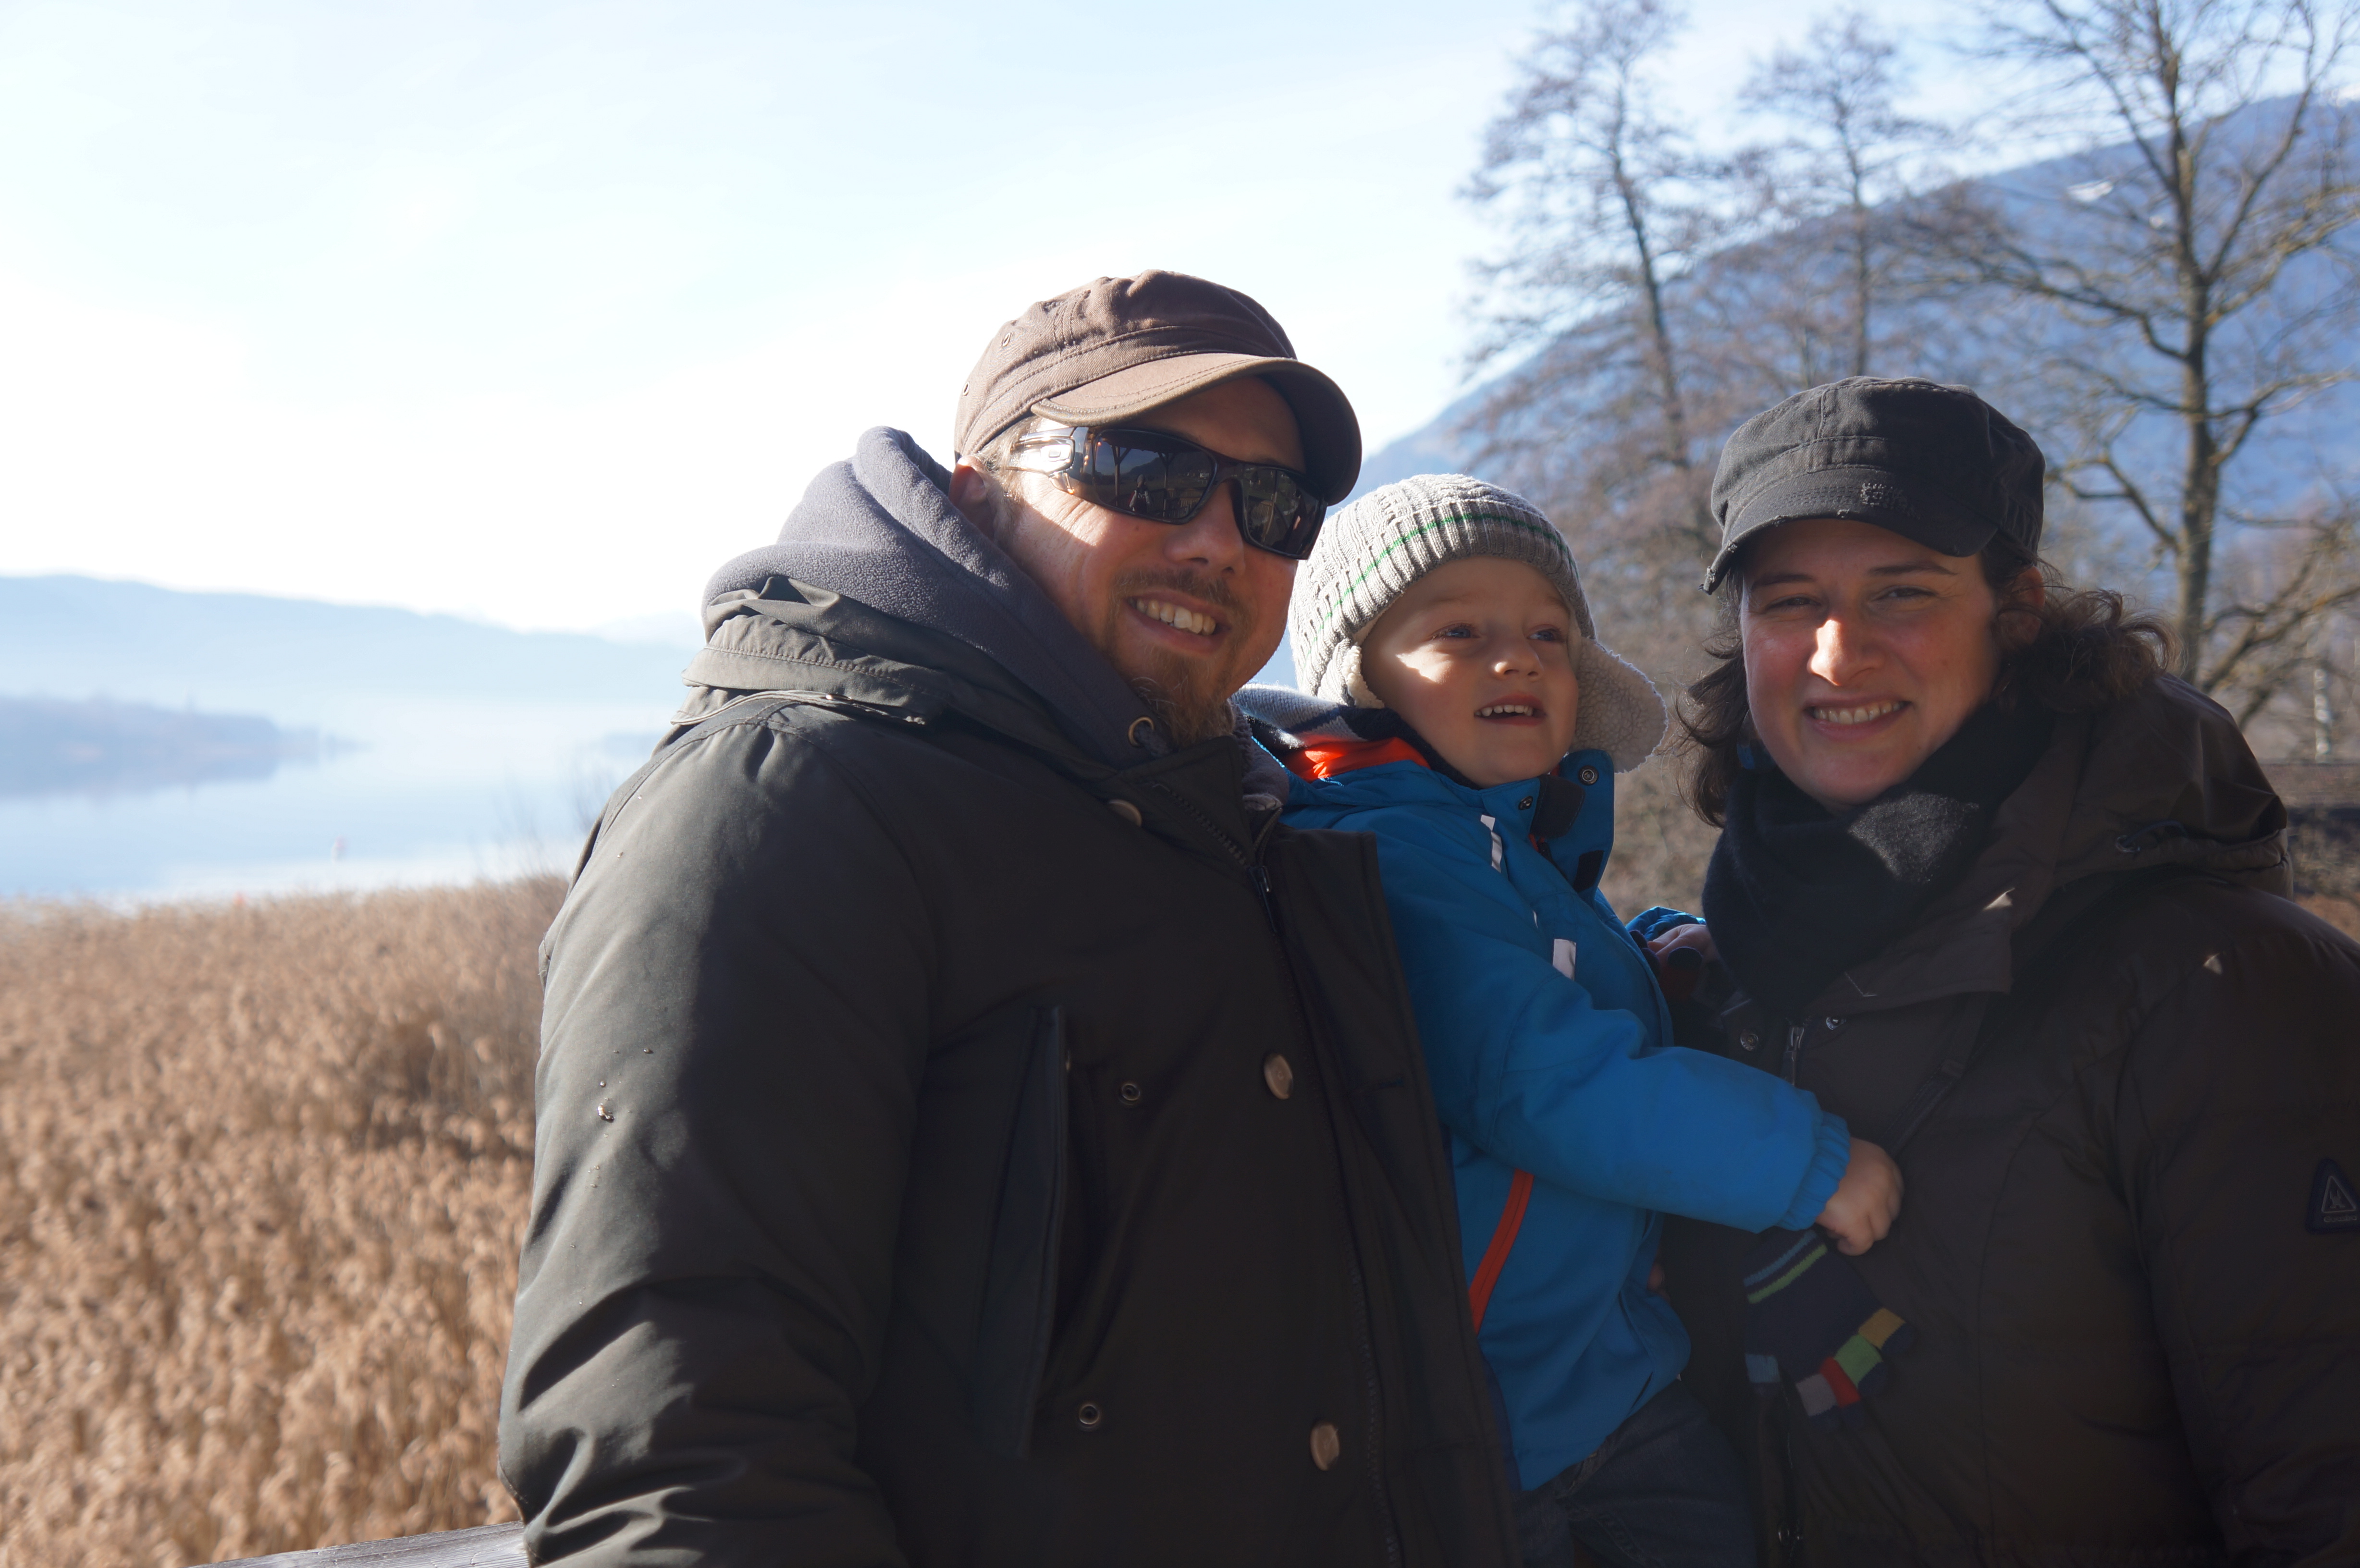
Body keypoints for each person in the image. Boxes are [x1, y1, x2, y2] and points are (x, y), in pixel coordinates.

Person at [497, 274, 1526, 1566]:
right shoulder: (789, 814)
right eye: (1146, 471)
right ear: (976, 494)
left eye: (1273, 508)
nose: (1218, 541)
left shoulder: (1250, 816)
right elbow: (681, 1456)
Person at [1655, 377, 2360, 1564]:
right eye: (1789, 601)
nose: (1836, 652)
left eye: (1901, 593)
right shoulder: (1711, 988)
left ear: (2018, 609)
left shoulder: (2219, 983)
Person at [1241, 474, 1905, 1568]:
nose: (1518, 658)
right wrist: (1805, 1162)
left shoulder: (1505, 843)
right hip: (1499, 1422)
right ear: (1358, 673)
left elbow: (1547, 967)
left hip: (1605, 1373)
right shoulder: (1391, 860)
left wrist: (1653, 947)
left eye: (1547, 633)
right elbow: (1540, 1080)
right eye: (1460, 632)